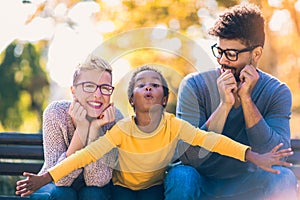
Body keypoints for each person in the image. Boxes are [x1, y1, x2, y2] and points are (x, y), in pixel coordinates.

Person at [16, 65, 293, 200]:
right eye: (141, 86)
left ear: (164, 99)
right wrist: (44, 178)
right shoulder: (121, 128)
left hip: (153, 189)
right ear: (131, 100)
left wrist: (252, 156)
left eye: (155, 85)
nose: (148, 88)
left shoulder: (174, 125)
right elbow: (86, 155)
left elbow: (212, 140)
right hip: (122, 190)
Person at [164, 3, 298, 200]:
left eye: (231, 54)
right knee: (181, 176)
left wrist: (246, 100)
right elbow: (188, 156)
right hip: (202, 180)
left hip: (249, 183)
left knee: (282, 176)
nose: (222, 61)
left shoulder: (276, 92)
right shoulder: (194, 86)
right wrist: (224, 106)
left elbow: (277, 155)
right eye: (219, 51)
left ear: (257, 54)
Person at [28, 55, 123, 200]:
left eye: (105, 88)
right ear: (73, 91)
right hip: (53, 188)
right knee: (63, 194)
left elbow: (97, 181)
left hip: (94, 191)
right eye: (89, 86)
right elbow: (60, 181)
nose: (98, 95)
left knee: (93, 194)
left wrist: (94, 131)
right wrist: (82, 129)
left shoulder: (114, 119)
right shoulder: (56, 113)